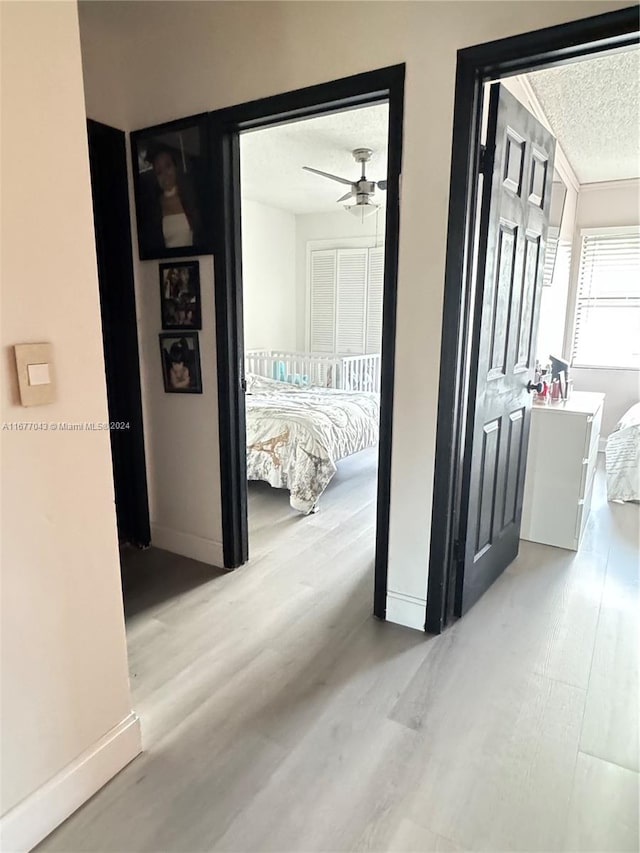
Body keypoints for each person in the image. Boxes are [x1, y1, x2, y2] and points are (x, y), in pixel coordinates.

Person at [142, 143, 202, 253]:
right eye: (159, 172)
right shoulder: (154, 208)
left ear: (175, 167)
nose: (165, 174)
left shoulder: (190, 198)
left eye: (168, 166)